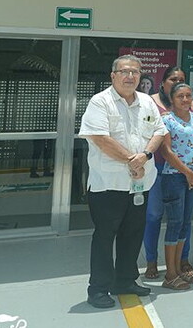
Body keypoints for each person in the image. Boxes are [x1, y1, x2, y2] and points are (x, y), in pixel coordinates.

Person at [79, 55, 166, 309]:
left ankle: (126, 280)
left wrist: (146, 156)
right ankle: (98, 289)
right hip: (109, 185)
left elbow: (159, 131)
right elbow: (100, 138)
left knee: (132, 234)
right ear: (113, 75)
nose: (130, 77)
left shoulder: (147, 101)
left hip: (140, 184)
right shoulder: (100, 101)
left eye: (135, 72)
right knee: (105, 237)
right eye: (124, 72)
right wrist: (132, 160)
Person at [143, 66, 193, 280]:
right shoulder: (150, 102)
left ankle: (183, 259)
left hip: (182, 172)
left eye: (181, 80)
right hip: (157, 167)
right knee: (154, 215)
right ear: (163, 82)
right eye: (173, 79)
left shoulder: (187, 101)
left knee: (183, 218)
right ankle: (152, 261)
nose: (176, 83)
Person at [159, 83, 193, 290]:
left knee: (186, 223)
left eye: (189, 95)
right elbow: (166, 151)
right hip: (175, 178)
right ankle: (170, 274)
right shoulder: (166, 120)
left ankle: (179, 268)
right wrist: (187, 173)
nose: (186, 99)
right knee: (174, 223)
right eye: (180, 96)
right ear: (172, 99)